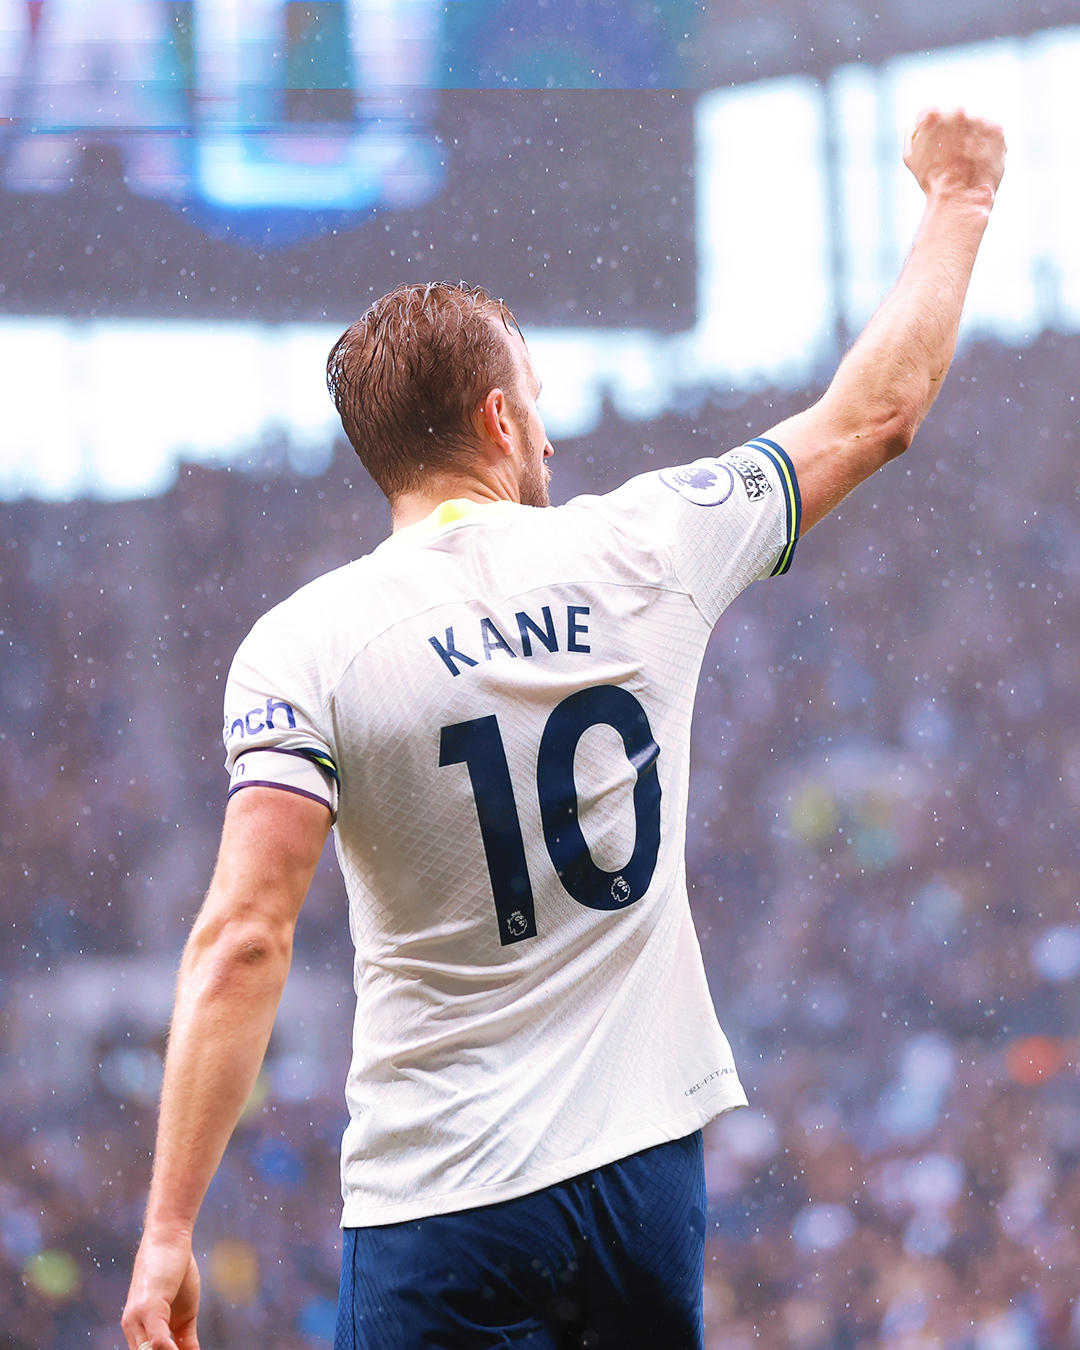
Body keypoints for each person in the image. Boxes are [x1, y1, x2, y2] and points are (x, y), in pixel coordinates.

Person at [122, 106, 1005, 1350]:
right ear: (494, 419)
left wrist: (168, 1227)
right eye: (532, 397)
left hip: (442, 1201)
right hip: (640, 1183)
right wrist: (961, 199)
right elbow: (876, 414)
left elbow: (244, 941)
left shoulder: (304, 644)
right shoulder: (644, 545)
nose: (547, 427)